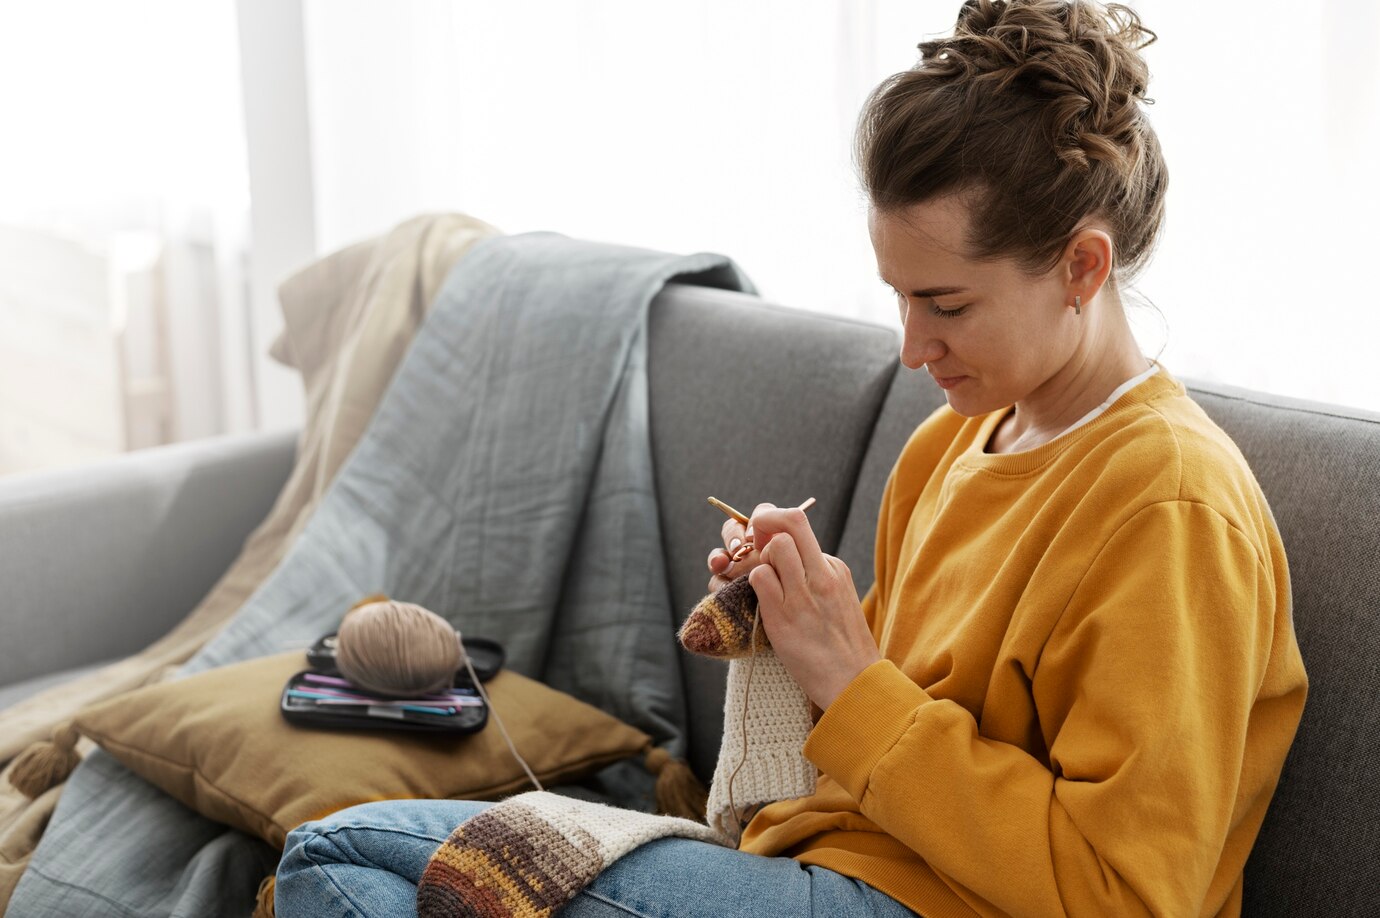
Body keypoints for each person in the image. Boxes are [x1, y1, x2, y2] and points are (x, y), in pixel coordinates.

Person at [275, 1, 1307, 915]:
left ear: (1082, 266)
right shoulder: (951, 442)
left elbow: (1127, 894)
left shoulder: (1169, 505)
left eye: (947, 305)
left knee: (334, 858)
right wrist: (800, 628)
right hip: (835, 864)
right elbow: (890, 743)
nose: (913, 347)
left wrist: (852, 679)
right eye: (899, 298)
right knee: (352, 880)